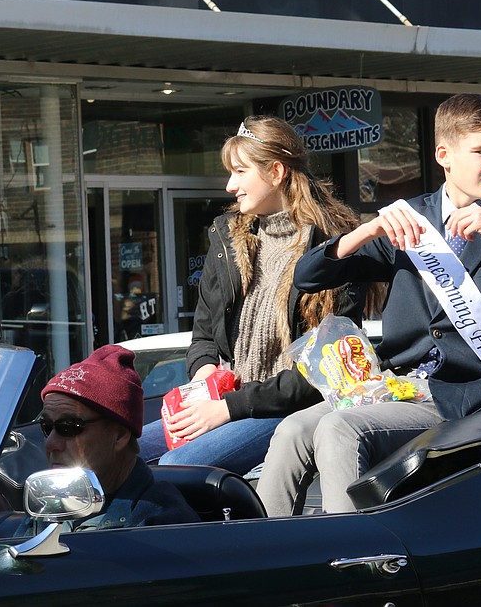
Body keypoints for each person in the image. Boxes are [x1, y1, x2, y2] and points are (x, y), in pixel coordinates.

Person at [256, 93, 481, 515]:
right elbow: (308, 277)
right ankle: (263, 556)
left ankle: (353, 560)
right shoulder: (409, 217)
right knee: (292, 431)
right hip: (390, 388)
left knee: (340, 428)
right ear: (444, 155)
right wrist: (367, 231)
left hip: (464, 400)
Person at [139, 115, 370, 474]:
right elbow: (203, 335)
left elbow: (322, 373)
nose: (230, 185)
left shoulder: (333, 247)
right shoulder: (226, 238)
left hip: (284, 410)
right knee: (118, 455)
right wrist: (204, 376)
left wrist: (228, 408)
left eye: (240, 172)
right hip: (222, 404)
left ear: (276, 172)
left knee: (177, 468)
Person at [39, 344, 199, 529]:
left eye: (69, 427)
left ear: (120, 436)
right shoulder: (47, 508)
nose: (51, 443)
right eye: (46, 427)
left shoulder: (161, 520)